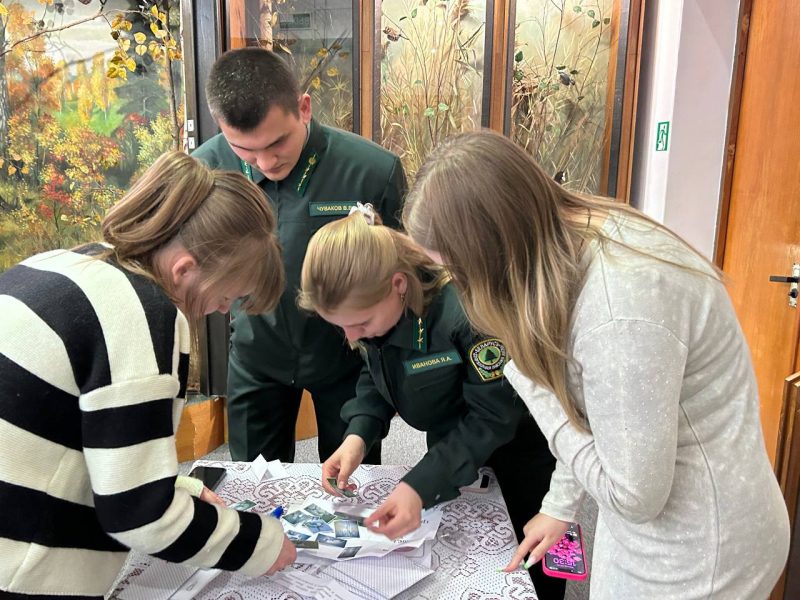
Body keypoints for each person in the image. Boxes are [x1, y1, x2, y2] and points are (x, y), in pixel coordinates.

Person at [402, 130, 791, 599]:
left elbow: (634, 496)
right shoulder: (573, 239)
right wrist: (561, 503)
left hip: (698, 551)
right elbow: (602, 419)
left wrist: (528, 382)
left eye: (462, 272)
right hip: (655, 528)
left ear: (495, 249)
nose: (463, 290)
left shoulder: (619, 308)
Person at [0, 151, 296, 599]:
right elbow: (140, 514)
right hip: (19, 565)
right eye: (227, 296)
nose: (221, 311)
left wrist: (172, 483)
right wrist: (261, 543)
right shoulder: (143, 312)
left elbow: (71, 432)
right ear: (184, 270)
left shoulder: (63, 262)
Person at [298, 206, 565, 600]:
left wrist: (419, 486)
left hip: (519, 454)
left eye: (361, 324)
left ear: (398, 284)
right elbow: (377, 373)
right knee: (461, 563)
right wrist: (358, 435)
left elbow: (493, 417)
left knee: (531, 565)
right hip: (450, 446)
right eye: (341, 326)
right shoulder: (375, 310)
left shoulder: (469, 314)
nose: (351, 335)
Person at [192, 48, 406, 465]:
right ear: (222, 129)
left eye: (277, 143)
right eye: (245, 150)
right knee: (252, 490)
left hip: (347, 357)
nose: (266, 162)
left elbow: (402, 280)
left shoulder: (373, 171)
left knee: (351, 489)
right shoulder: (205, 171)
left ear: (304, 108)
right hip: (255, 355)